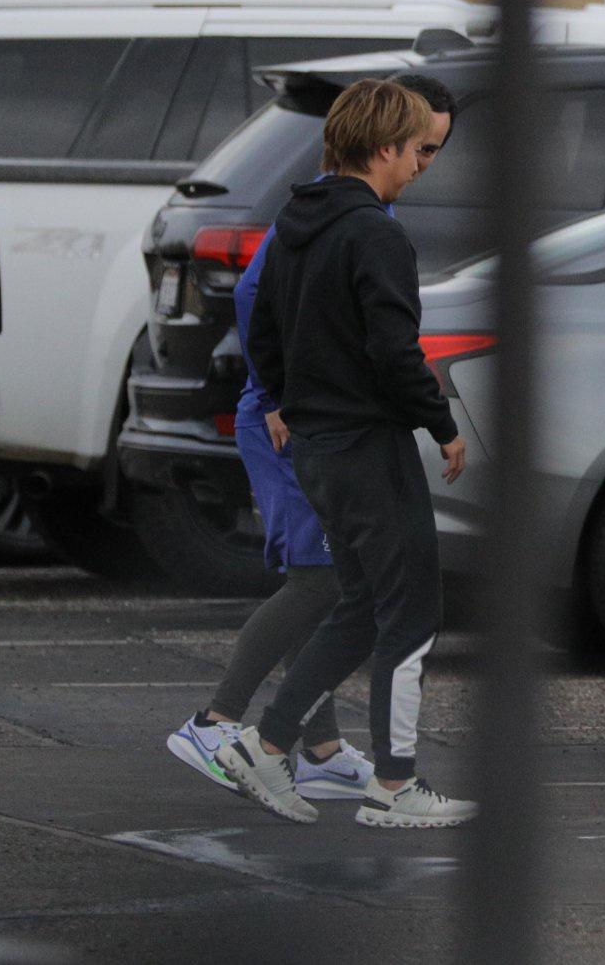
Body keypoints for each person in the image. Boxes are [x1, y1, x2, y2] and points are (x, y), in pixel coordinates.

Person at [165, 74, 456, 802]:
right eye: (422, 148)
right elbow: (377, 345)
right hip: (332, 433)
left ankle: (305, 747)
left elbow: (260, 312)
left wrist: (287, 393)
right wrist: (281, 396)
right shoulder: (363, 229)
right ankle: (225, 724)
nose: (426, 165)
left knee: (342, 592)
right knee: (339, 588)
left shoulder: (302, 217)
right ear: (388, 142)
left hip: (311, 428)